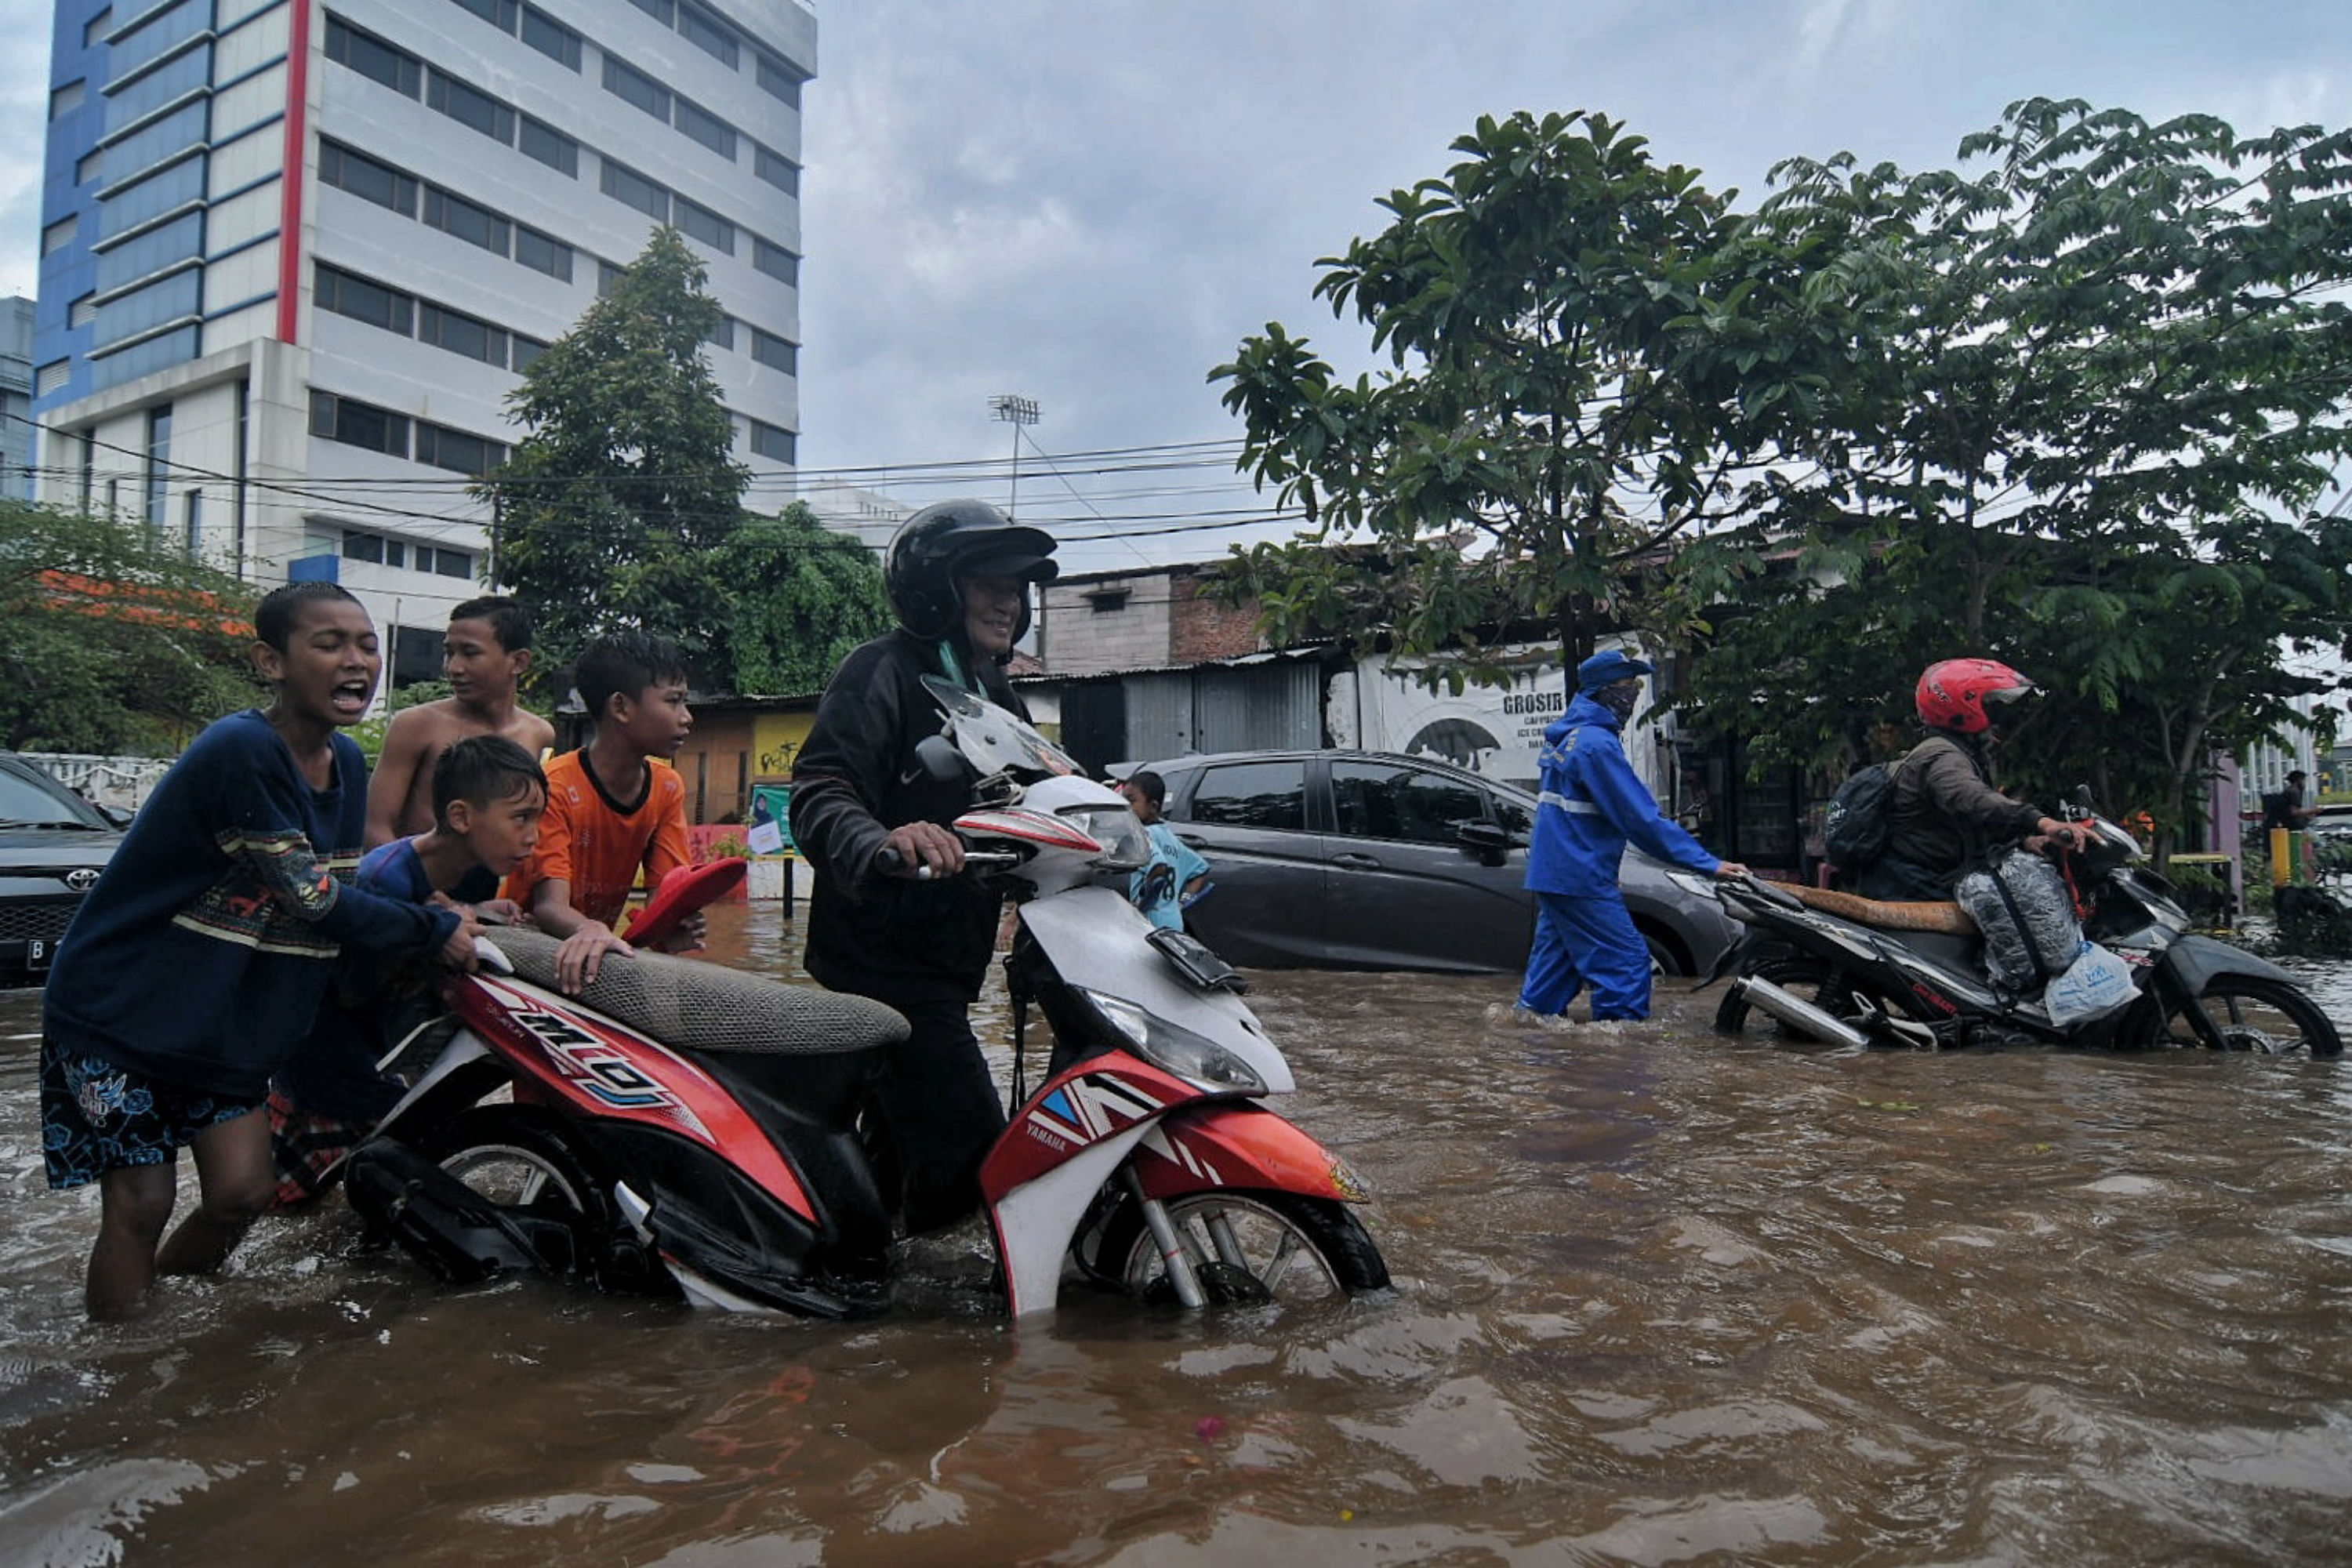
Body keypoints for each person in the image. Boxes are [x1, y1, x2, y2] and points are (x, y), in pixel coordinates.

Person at [39, 582, 479, 1318]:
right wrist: (431, 930)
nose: (358, 661)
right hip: (122, 1012)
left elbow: (335, 897)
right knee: (142, 1203)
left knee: (243, 1193)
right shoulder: (241, 748)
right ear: (270, 662)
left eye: (367, 645)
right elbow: (311, 895)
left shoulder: (347, 761)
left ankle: (178, 1333)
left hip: (222, 1022)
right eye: (330, 644)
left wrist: (430, 922)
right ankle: (121, 1367)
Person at [789, 499, 1058, 1234]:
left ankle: (872, 1270)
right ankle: (948, 1301)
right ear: (936, 588)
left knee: (896, 1157)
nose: (1009, 602)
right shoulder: (880, 670)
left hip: (948, 959)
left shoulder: (994, 694)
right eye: (990, 584)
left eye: (1017, 588)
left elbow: (1038, 796)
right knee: (971, 1159)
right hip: (883, 961)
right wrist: (883, 841)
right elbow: (821, 790)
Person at [270, 735, 548, 1207]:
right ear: (461, 817)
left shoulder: (475, 871)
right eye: (521, 818)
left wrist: (475, 911)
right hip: (327, 1059)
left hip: (375, 1053)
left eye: (537, 819)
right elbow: (347, 984)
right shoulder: (383, 880)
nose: (533, 836)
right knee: (287, 1203)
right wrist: (434, 934)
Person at [1518, 649, 1748, 1022]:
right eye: (1628, 685)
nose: (1634, 694)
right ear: (1603, 691)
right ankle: (1620, 1054)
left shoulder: (1568, 738)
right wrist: (1708, 864)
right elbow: (1639, 819)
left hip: (1556, 874)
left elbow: (1577, 820)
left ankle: (1527, 1048)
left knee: (1546, 990)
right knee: (1626, 966)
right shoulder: (1596, 745)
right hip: (1579, 877)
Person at [501, 631, 696, 993]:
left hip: (593, 951)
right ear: (620, 707)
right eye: (673, 701)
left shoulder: (668, 787)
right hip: (525, 947)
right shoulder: (555, 786)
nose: (686, 718)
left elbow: (662, 898)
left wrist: (669, 927)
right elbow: (549, 906)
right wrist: (590, 928)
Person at [1860, 657, 2086, 902]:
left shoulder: (1952, 751)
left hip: (1925, 881)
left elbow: (1963, 825)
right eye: (1988, 703)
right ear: (1963, 707)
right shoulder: (1942, 756)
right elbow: (1972, 800)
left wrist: (2024, 842)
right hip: (1915, 889)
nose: (1995, 713)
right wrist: (2042, 822)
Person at [365, 596, 557, 864]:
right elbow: (375, 827)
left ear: (519, 662)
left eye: (470, 653)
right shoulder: (416, 726)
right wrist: (413, 883)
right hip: (416, 883)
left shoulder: (539, 734)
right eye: (449, 653)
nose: (453, 667)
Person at [1119, 769, 1210, 930]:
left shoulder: (1143, 835)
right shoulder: (1171, 839)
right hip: (1174, 922)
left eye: (1131, 801)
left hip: (1150, 923)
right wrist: (1183, 901)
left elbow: (1159, 867)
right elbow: (1201, 870)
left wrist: (1140, 906)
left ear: (1153, 806)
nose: (1126, 808)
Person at [2263, 769, 2317, 833]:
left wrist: (2306, 816)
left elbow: (2290, 812)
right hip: (2284, 828)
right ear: (2299, 780)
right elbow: (2294, 812)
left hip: (2278, 826)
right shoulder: (2294, 792)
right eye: (2304, 781)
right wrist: (2313, 810)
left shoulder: (2289, 791)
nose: (2305, 784)